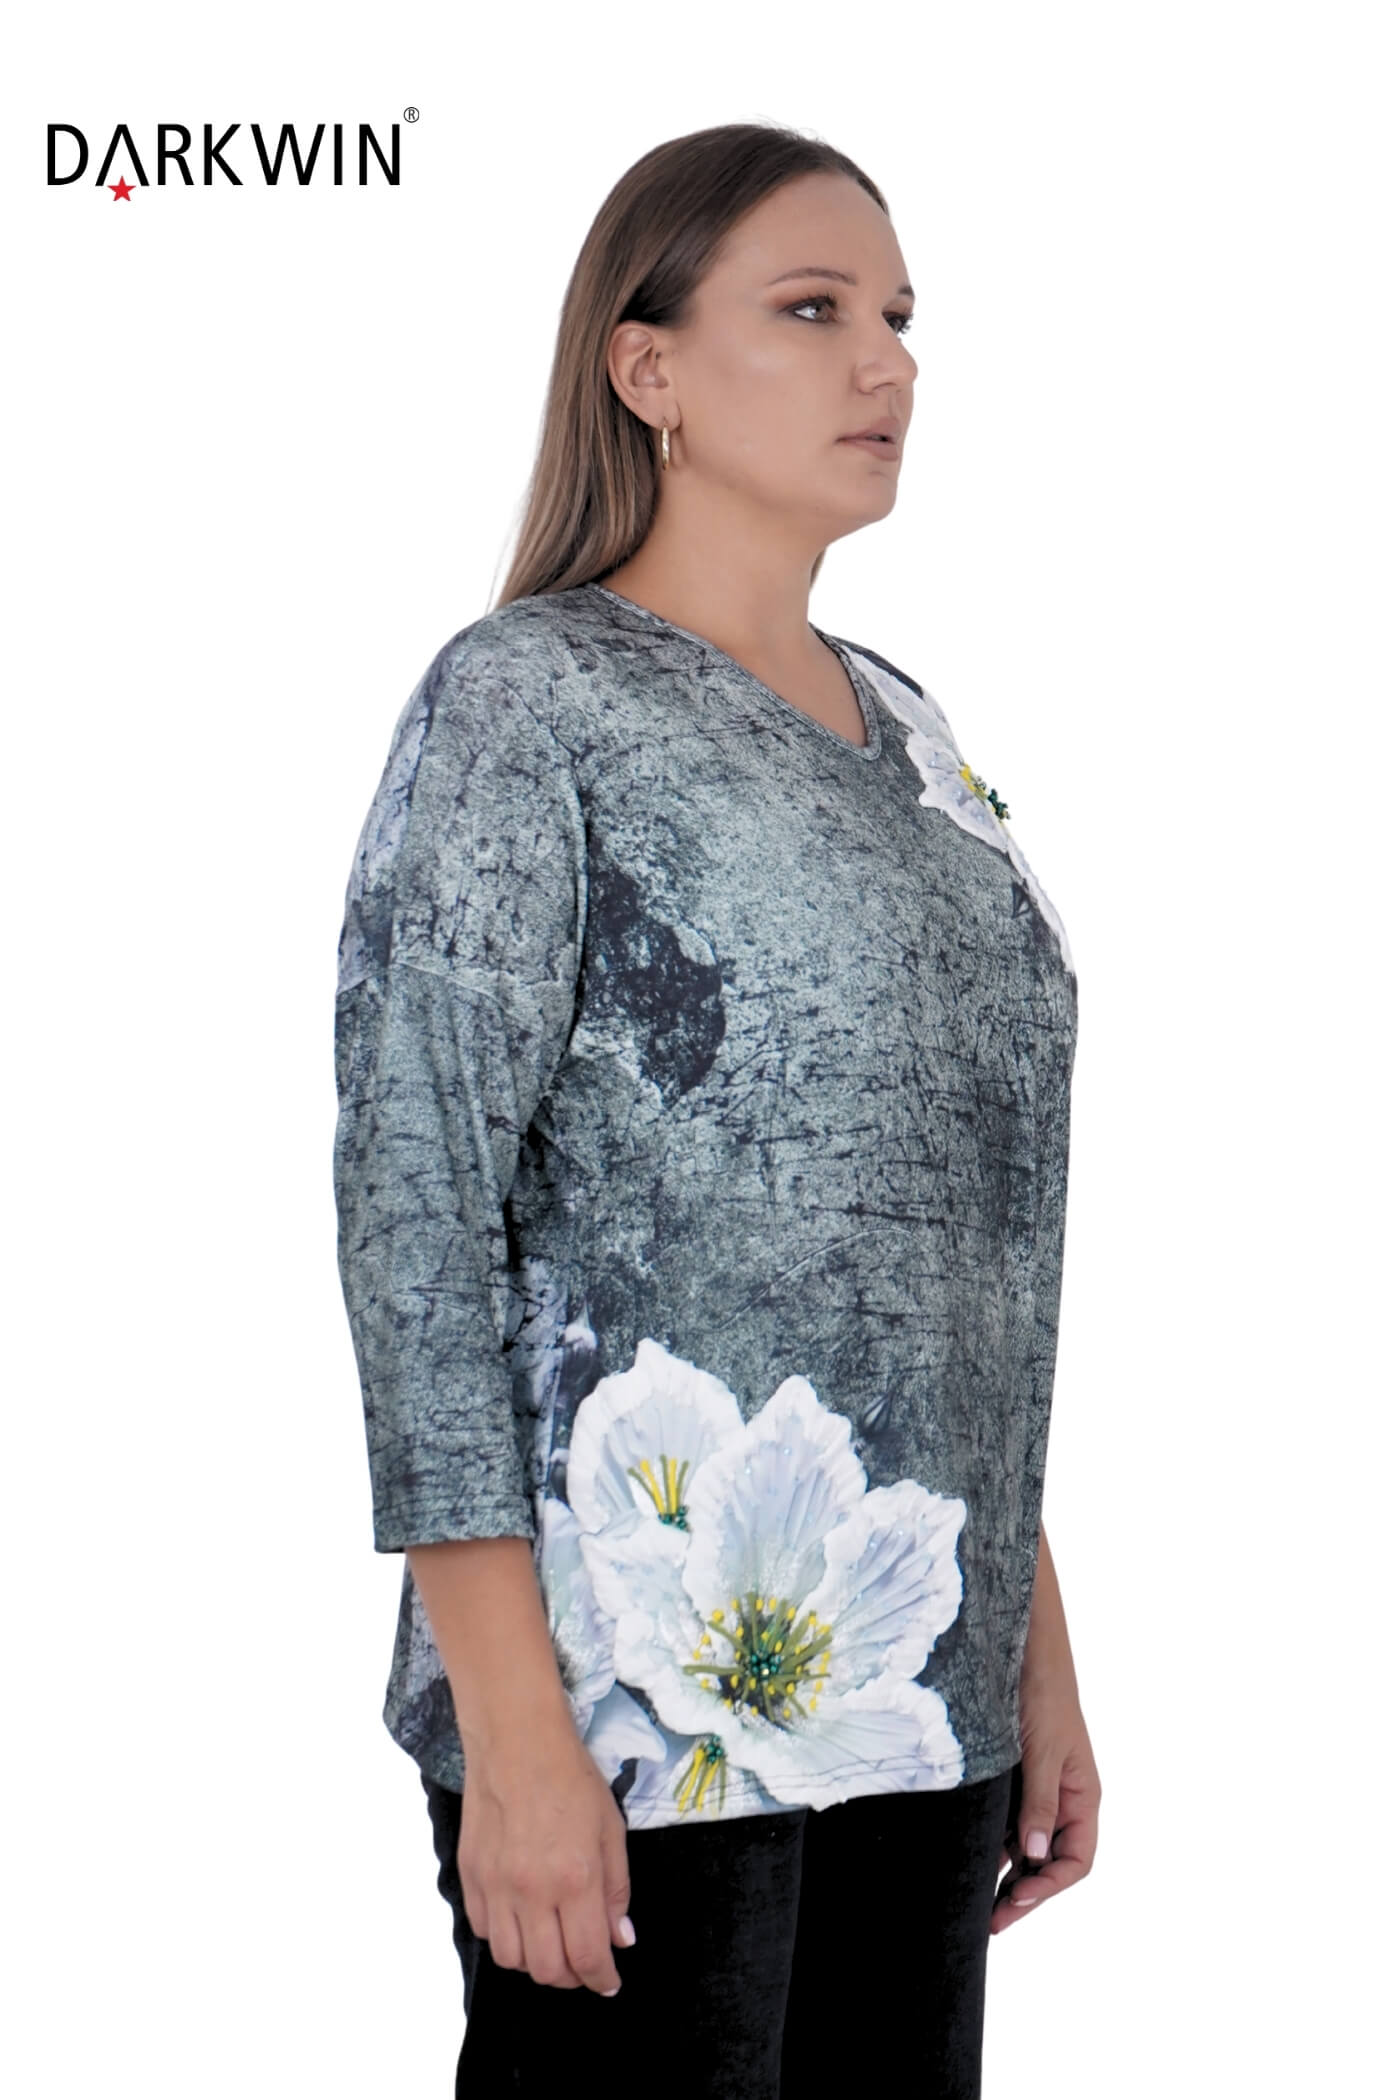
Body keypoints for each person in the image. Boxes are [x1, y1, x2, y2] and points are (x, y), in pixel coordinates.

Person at [332, 119, 1100, 2098]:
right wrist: (516, 1729)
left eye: (902, 318)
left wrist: (1031, 1638)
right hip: (631, 1706)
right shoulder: (531, 700)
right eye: (815, 309)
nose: (888, 363)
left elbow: (954, 1234)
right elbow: (418, 1210)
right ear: (647, 366)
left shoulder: (911, 731)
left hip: (916, 1687)